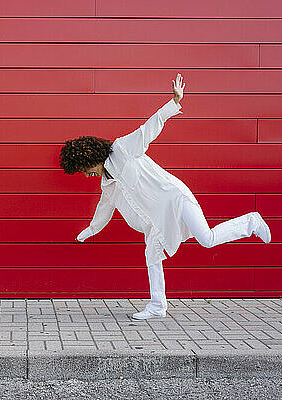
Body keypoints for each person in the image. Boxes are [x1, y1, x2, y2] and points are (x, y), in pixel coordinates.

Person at [58, 73, 271, 320]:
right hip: (157, 219)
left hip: (176, 199)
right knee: (151, 255)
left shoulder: (122, 150)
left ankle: (251, 222)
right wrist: (90, 230)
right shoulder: (109, 182)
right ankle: (158, 306)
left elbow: (146, 130)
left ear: (90, 159)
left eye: (85, 170)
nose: (87, 176)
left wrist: (174, 102)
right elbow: (104, 209)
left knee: (207, 239)